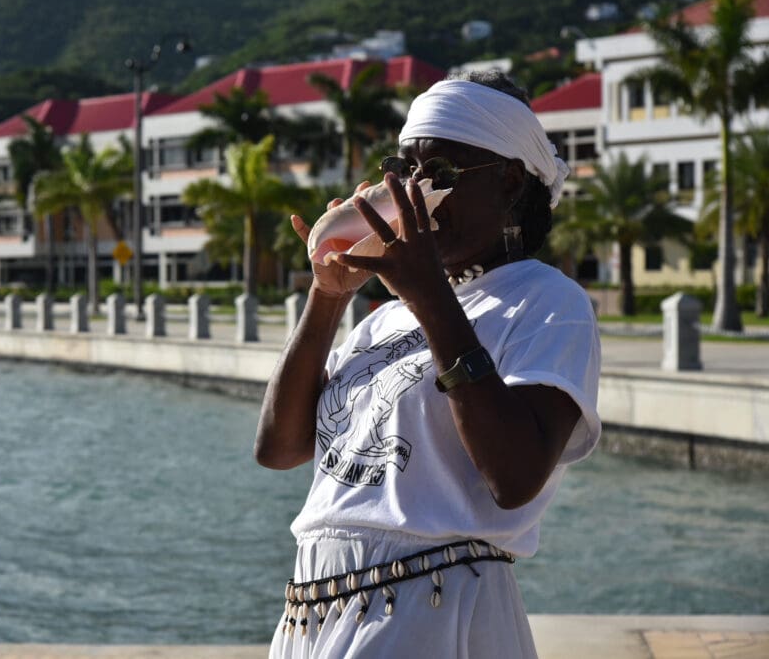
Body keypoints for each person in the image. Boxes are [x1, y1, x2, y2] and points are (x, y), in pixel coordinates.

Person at [255, 71, 602, 659]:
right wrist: (328, 296)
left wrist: (430, 298)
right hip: (316, 611)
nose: (412, 192)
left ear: (510, 181)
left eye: (438, 174)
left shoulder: (546, 301)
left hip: (433, 609)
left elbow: (514, 476)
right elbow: (279, 448)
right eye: (404, 170)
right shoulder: (384, 319)